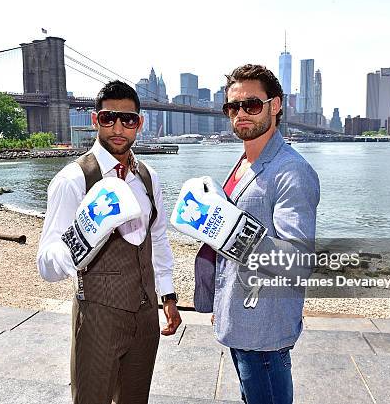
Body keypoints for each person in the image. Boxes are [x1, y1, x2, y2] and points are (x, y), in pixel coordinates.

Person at [172, 64, 320, 404]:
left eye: (251, 105)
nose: (241, 113)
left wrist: (223, 225)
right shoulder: (244, 163)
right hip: (239, 316)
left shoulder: (291, 171)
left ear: (276, 105)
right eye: (232, 107)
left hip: (265, 328)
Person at [37, 80, 182, 404]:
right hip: (97, 319)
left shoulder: (148, 177)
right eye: (108, 118)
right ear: (94, 120)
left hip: (145, 319)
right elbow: (45, 262)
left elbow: (157, 238)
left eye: (128, 119)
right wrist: (75, 245)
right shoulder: (73, 180)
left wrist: (168, 296)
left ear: (139, 124)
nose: (118, 127)